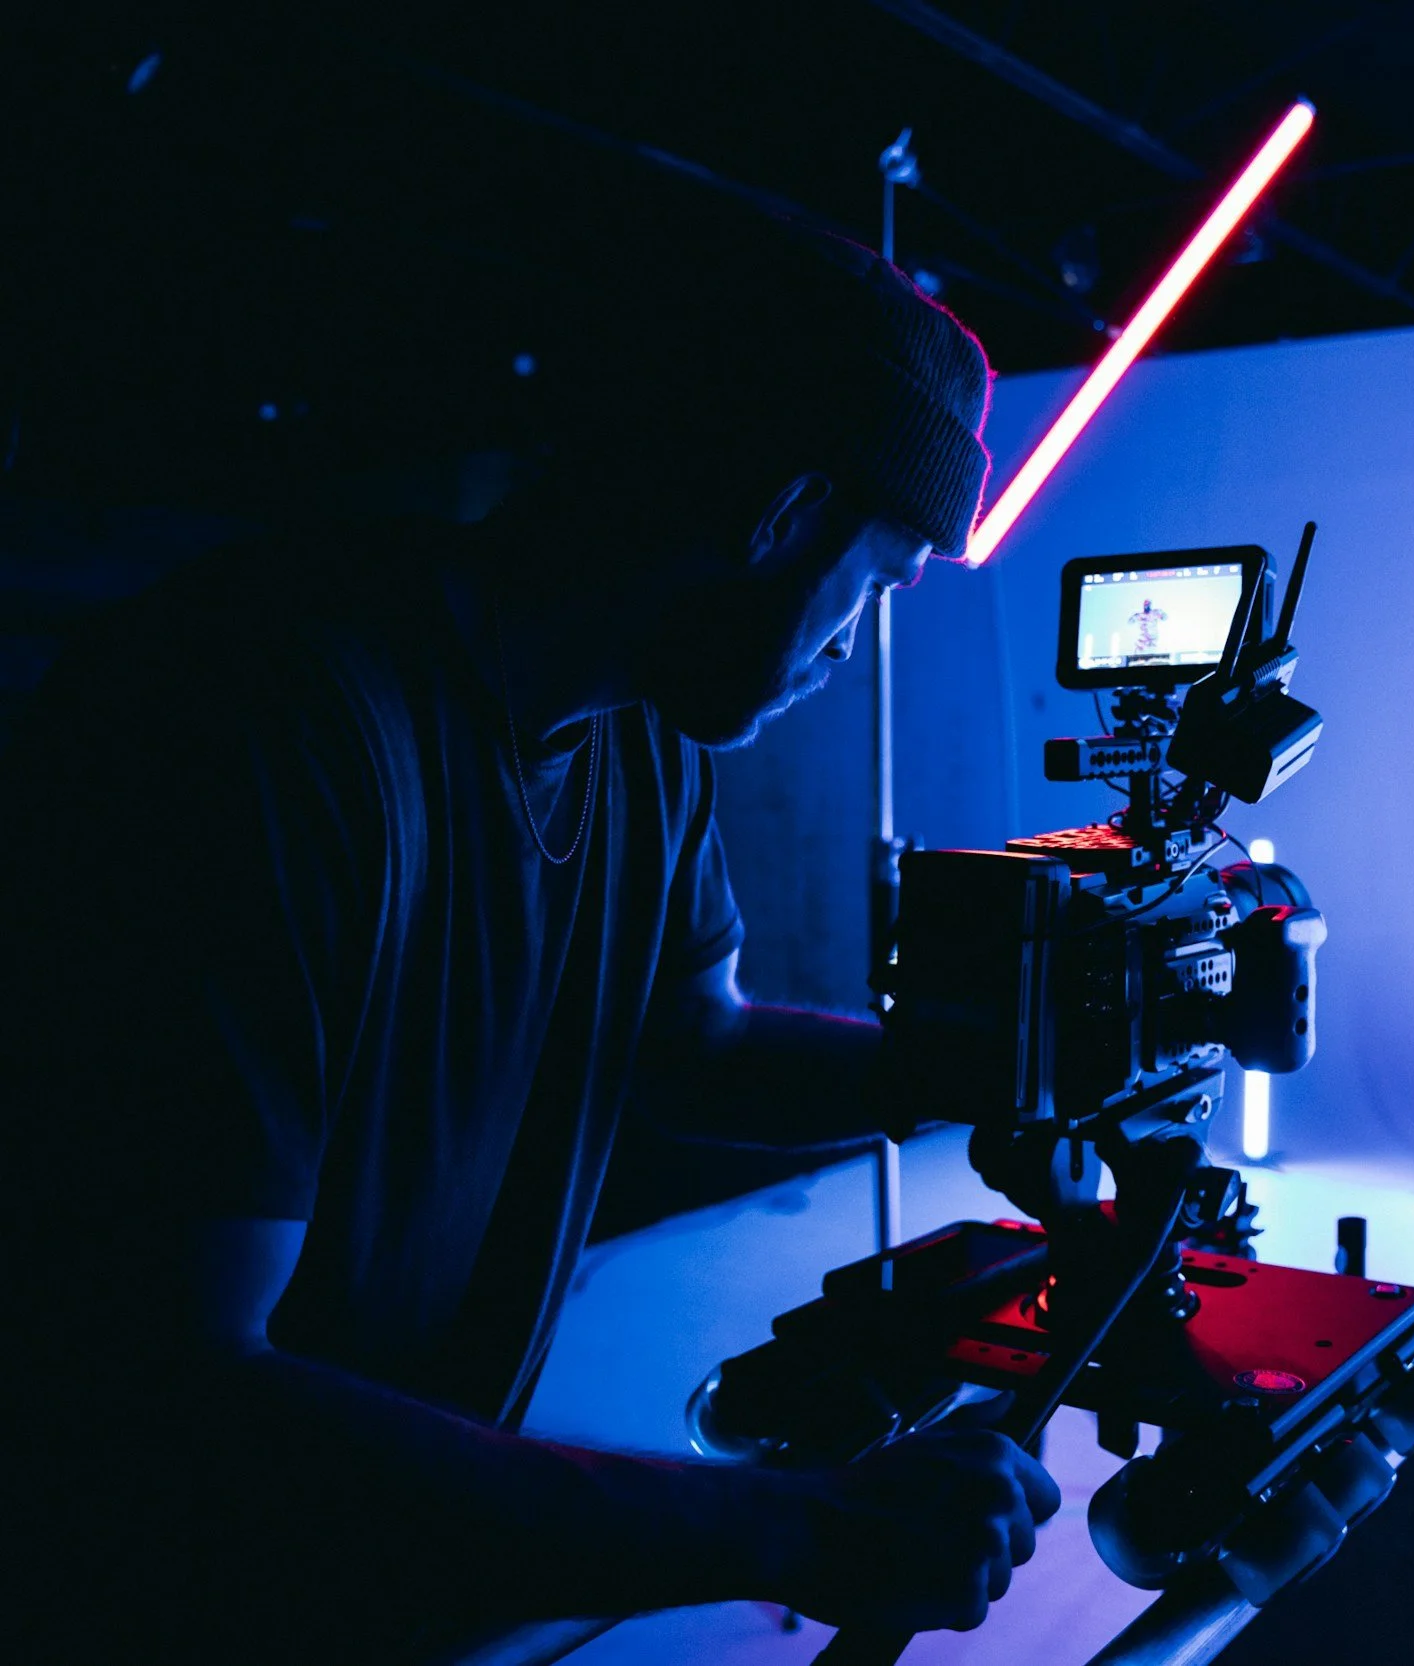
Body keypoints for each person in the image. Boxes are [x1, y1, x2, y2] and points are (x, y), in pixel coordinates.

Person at [0, 228, 1061, 1661]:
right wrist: (803, 1527)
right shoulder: (260, 723)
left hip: (373, 1586)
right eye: (875, 584)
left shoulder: (645, 742)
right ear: (781, 514)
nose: (853, 646)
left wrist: (990, 1063)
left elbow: (690, 1046)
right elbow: (190, 1387)